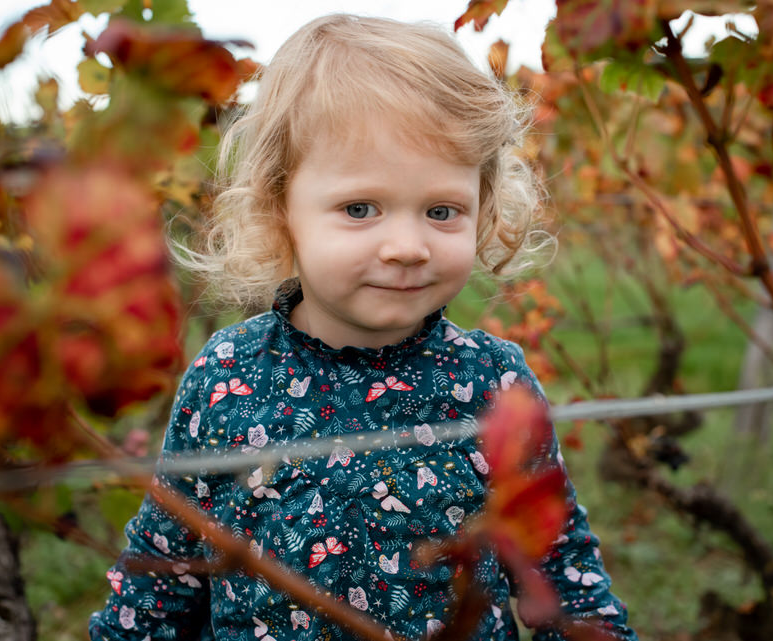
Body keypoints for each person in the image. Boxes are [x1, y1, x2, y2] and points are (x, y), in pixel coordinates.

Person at [89, 14, 637, 641]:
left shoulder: (493, 382)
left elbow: (562, 571)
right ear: (280, 208)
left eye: (441, 210)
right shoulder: (227, 376)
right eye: (359, 209)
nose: (407, 246)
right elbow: (161, 576)